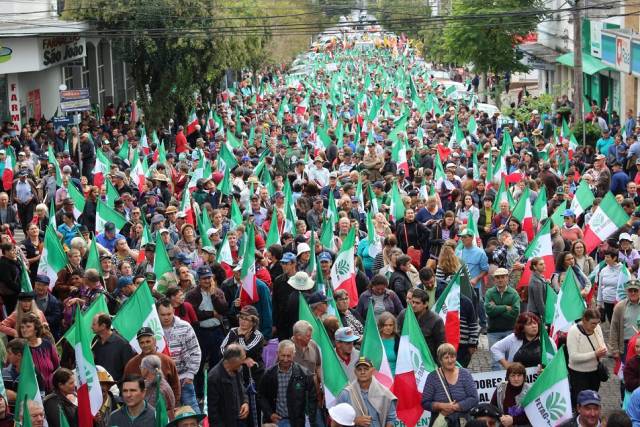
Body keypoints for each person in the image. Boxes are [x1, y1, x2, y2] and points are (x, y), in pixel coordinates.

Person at [258, 340, 318, 426]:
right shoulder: (268, 374)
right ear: (278, 354)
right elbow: (261, 396)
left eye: (289, 356)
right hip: (275, 422)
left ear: (294, 355)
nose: (285, 359)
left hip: (297, 423)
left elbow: (312, 398)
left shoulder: (304, 374)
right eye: (283, 355)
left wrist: (311, 421)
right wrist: (270, 414)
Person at [156, 298, 202, 413]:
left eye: (169, 314)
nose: (166, 317)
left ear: (174, 311)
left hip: (184, 378)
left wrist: (191, 374)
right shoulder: (152, 329)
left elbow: (195, 351)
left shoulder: (185, 327)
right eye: (162, 314)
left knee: (192, 411)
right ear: (157, 313)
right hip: (161, 381)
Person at [422, 343, 479, 426]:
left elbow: (474, 398)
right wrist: (441, 406)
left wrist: (455, 407)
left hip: (463, 422)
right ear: (440, 360)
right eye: (446, 358)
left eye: (452, 357)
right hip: (441, 422)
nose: (450, 360)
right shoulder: (432, 377)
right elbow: (425, 402)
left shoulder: (465, 374)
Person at [123, 327, 181, 402]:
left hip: (164, 409)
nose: (145, 345)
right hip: (138, 408)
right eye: (142, 342)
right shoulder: (131, 365)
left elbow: (175, 386)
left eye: (148, 341)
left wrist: (174, 405)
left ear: (154, 341)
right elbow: (125, 387)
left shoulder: (167, 361)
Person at [335, 356, 398, 427]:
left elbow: (391, 419)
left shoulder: (385, 394)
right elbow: (336, 421)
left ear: (373, 370)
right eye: (359, 369)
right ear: (355, 372)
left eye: (366, 369)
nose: (362, 372)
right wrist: (355, 421)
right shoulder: (346, 394)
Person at [567, 309, 608, 408]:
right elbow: (573, 357)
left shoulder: (597, 327)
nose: (595, 326)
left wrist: (604, 350)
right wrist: (594, 354)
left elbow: (601, 344)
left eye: (597, 323)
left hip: (595, 372)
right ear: (584, 320)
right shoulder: (573, 331)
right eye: (592, 323)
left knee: (592, 401)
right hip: (579, 374)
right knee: (580, 402)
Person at [485, 268, 520, 370]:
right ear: (494, 279)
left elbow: (515, 313)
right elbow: (488, 310)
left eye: (503, 277)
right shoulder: (489, 293)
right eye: (497, 277)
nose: (500, 280)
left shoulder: (513, 293)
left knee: (510, 360)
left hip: (510, 331)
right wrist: (505, 307)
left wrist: (496, 308)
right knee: (495, 362)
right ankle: (497, 384)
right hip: (493, 332)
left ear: (507, 278)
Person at [207, 343, 250, 427]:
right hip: (225, 422)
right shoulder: (214, 377)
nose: (244, 362)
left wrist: (245, 402)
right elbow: (213, 409)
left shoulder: (239, 368)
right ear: (234, 360)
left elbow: (242, 388)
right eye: (242, 359)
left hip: (241, 419)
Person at [397, 288, 445, 362]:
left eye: (417, 303)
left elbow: (441, 345)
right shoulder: (404, 315)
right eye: (412, 302)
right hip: (407, 360)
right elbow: (398, 336)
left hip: (428, 362)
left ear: (425, 304)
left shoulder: (436, 320)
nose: (413, 305)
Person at [20, 312, 59, 393]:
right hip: (32, 392)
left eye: (28, 327)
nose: (24, 330)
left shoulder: (47, 344)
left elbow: (57, 366)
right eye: (22, 327)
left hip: (52, 390)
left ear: (36, 329)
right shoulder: (21, 348)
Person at [91, 313, 135, 382]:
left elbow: (129, 369)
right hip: (99, 386)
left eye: (94, 324)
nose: (91, 327)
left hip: (116, 387)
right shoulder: (95, 340)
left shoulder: (122, 344)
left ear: (103, 326)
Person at [489, 362, 531, 426]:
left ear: (524, 377)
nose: (516, 379)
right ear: (508, 377)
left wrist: (513, 420)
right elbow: (492, 407)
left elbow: (532, 414)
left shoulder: (530, 391)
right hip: (502, 423)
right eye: (513, 375)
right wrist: (501, 418)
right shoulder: (501, 388)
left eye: (519, 375)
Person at [610, 279, 640, 370]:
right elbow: (614, 329)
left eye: (636, 290)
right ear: (627, 291)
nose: (633, 293)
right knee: (626, 374)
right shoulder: (620, 307)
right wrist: (614, 349)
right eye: (631, 290)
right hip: (626, 347)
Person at [140, 354, 176, 420]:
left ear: (146, 369)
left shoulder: (160, 389)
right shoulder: (152, 382)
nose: (140, 369)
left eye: (141, 367)